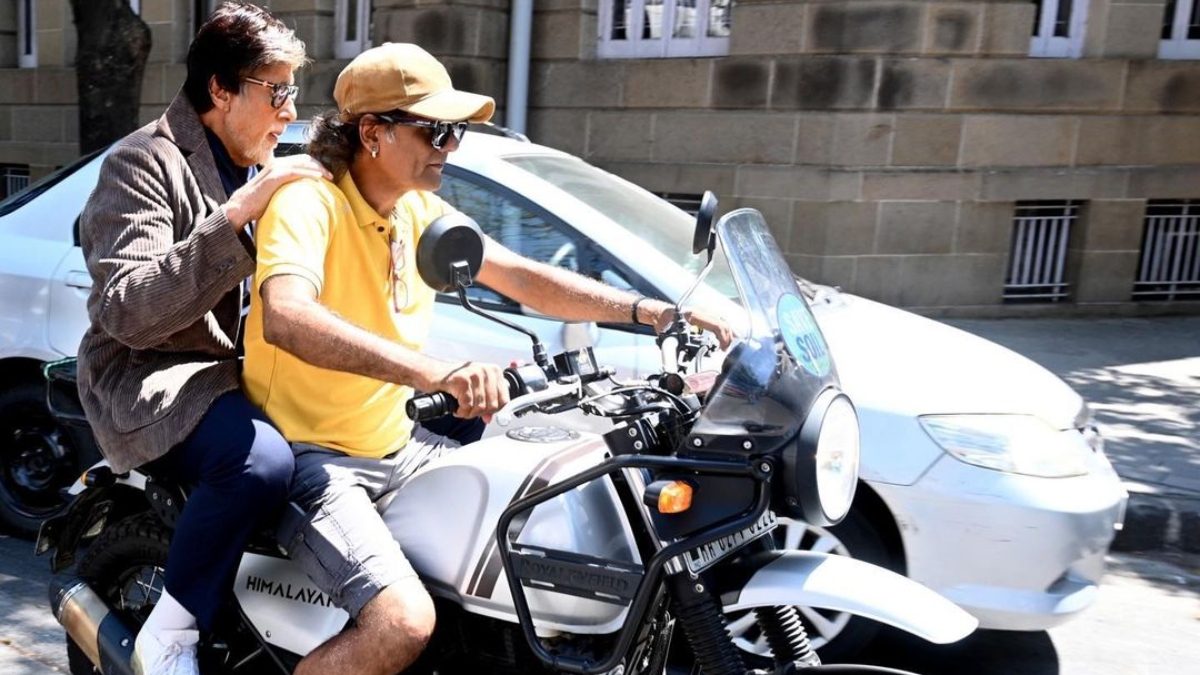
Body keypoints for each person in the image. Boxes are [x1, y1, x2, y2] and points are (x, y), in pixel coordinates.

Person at [241, 43, 732, 675]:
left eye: (457, 132)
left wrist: (656, 312)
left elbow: (522, 277)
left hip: (399, 443)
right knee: (401, 624)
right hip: (316, 459)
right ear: (372, 132)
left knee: (528, 531)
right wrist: (432, 372)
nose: (450, 147)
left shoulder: (414, 208)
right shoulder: (313, 204)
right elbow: (288, 315)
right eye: (436, 130)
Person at [75, 4, 330, 674]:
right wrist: (240, 215)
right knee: (259, 464)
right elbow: (126, 310)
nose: (288, 110)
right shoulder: (142, 163)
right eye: (276, 92)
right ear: (221, 89)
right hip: (152, 372)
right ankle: (171, 632)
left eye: (293, 93)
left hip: (245, 372)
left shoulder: (267, 163)